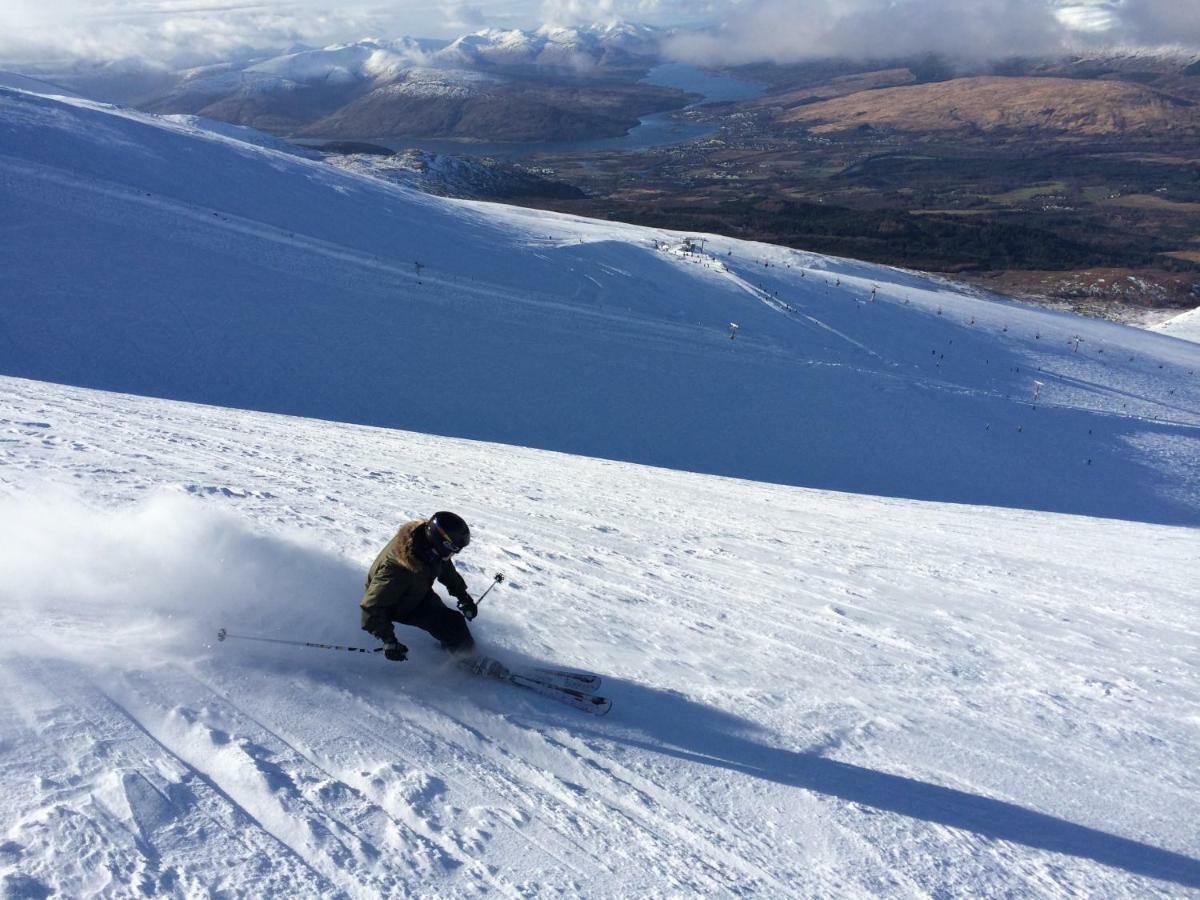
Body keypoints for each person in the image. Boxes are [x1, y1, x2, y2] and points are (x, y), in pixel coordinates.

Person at [360, 512, 478, 661]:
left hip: (416, 590)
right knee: (452, 623)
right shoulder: (397, 569)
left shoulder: (429, 547)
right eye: (454, 548)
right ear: (441, 542)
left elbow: (445, 570)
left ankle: (456, 647)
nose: (455, 554)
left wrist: (463, 597)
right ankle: (467, 659)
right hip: (398, 603)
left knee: (450, 622)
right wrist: (389, 641)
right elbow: (371, 606)